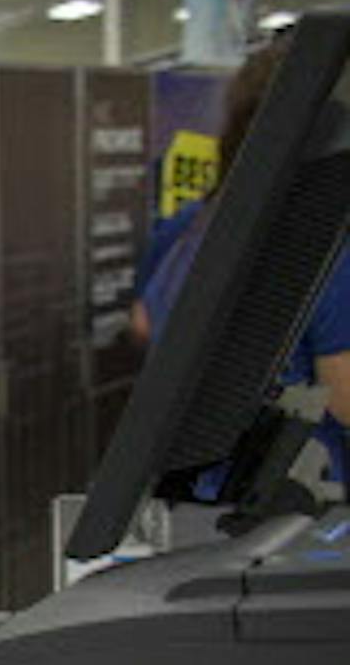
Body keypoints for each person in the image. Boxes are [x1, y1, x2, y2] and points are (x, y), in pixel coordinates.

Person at [132, 37, 350, 490]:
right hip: (290, 506)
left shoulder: (193, 223)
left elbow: (143, 324)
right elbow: (346, 398)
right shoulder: (329, 248)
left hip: (186, 489)